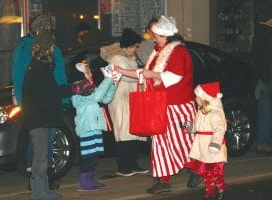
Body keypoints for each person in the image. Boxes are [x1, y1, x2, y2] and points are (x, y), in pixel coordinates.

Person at [113, 16, 198, 194]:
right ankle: (163, 180)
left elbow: (174, 77)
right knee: (160, 143)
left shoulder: (179, 52)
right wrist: (120, 71)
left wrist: (150, 74)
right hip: (160, 105)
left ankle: (196, 170)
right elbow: (146, 74)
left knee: (182, 142)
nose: (153, 38)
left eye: (157, 35)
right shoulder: (157, 52)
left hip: (179, 106)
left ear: (167, 35)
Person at [11, 14, 67, 190]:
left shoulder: (21, 47)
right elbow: (59, 76)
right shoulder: (49, 47)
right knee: (46, 142)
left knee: (35, 143)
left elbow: (17, 77)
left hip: (29, 103)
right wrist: (64, 99)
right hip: (47, 103)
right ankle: (43, 184)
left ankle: (36, 181)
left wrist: (21, 101)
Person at [100, 28, 149, 177]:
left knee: (133, 132)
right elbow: (128, 77)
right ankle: (124, 166)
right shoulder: (116, 59)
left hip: (130, 98)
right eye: (135, 46)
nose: (136, 49)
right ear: (128, 46)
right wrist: (141, 74)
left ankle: (133, 164)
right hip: (120, 98)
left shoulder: (129, 58)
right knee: (124, 133)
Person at [71, 60, 118, 191]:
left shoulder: (89, 87)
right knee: (88, 155)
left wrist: (113, 83)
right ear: (80, 76)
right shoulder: (79, 89)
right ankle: (83, 181)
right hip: (87, 127)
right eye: (87, 72)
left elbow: (105, 99)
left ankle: (89, 179)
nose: (91, 74)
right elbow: (97, 97)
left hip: (95, 125)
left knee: (94, 154)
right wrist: (108, 79)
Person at [185, 82, 227, 200]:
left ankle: (220, 189)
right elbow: (197, 126)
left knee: (214, 171)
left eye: (198, 96)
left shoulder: (215, 113)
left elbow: (219, 129)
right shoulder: (200, 111)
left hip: (212, 146)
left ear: (206, 98)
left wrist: (215, 143)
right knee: (206, 172)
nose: (195, 99)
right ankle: (210, 190)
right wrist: (189, 126)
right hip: (202, 146)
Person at [251, 1, 272, 157]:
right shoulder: (270, 35)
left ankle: (262, 141)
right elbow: (269, 60)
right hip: (270, 80)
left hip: (262, 79)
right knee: (268, 112)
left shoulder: (258, 33)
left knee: (265, 111)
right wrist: (267, 79)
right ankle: (263, 142)